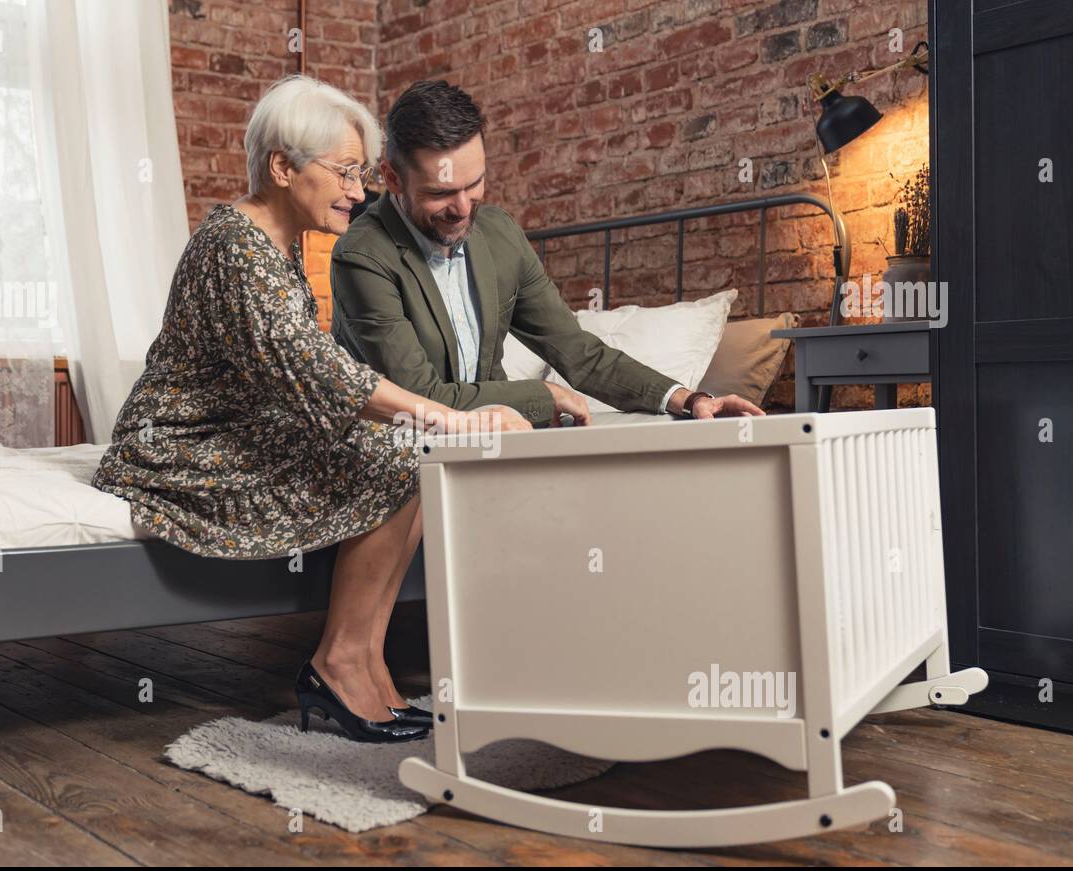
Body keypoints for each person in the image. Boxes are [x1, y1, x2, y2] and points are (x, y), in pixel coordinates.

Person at [91, 75, 530, 744]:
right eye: (346, 172)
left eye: (360, 173)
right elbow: (322, 373)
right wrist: (460, 418)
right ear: (281, 167)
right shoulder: (236, 248)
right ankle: (342, 663)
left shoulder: (274, 239)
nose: (359, 190)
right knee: (406, 448)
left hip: (234, 434)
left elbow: (302, 378)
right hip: (176, 452)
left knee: (410, 452)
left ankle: (368, 663)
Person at [330, 80, 766, 425]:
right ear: (391, 178)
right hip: (399, 457)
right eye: (441, 192)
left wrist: (688, 399)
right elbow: (421, 399)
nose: (463, 209)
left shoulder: (498, 233)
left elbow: (575, 350)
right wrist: (543, 397)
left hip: (493, 447)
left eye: (474, 184)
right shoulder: (362, 256)